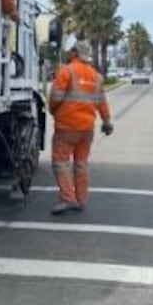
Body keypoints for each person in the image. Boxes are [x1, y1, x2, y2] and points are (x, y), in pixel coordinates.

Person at [49, 39, 113, 215]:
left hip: (67, 127)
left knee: (61, 162)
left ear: (75, 53)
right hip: (87, 129)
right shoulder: (97, 77)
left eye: (71, 51)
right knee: (81, 164)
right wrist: (107, 121)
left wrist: (54, 111)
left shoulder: (67, 71)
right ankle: (81, 200)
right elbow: (102, 103)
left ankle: (68, 199)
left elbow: (55, 97)